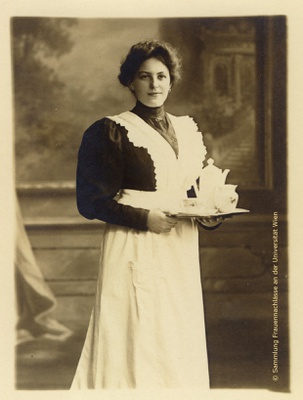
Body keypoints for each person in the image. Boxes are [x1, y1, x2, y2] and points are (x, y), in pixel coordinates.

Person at [71, 39, 223, 389]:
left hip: (178, 245)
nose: (154, 85)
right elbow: (89, 201)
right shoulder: (110, 131)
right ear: (130, 82)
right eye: (145, 76)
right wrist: (146, 218)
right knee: (136, 332)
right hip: (134, 244)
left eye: (161, 76)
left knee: (173, 335)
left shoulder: (186, 129)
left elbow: (191, 189)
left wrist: (208, 214)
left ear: (172, 80)